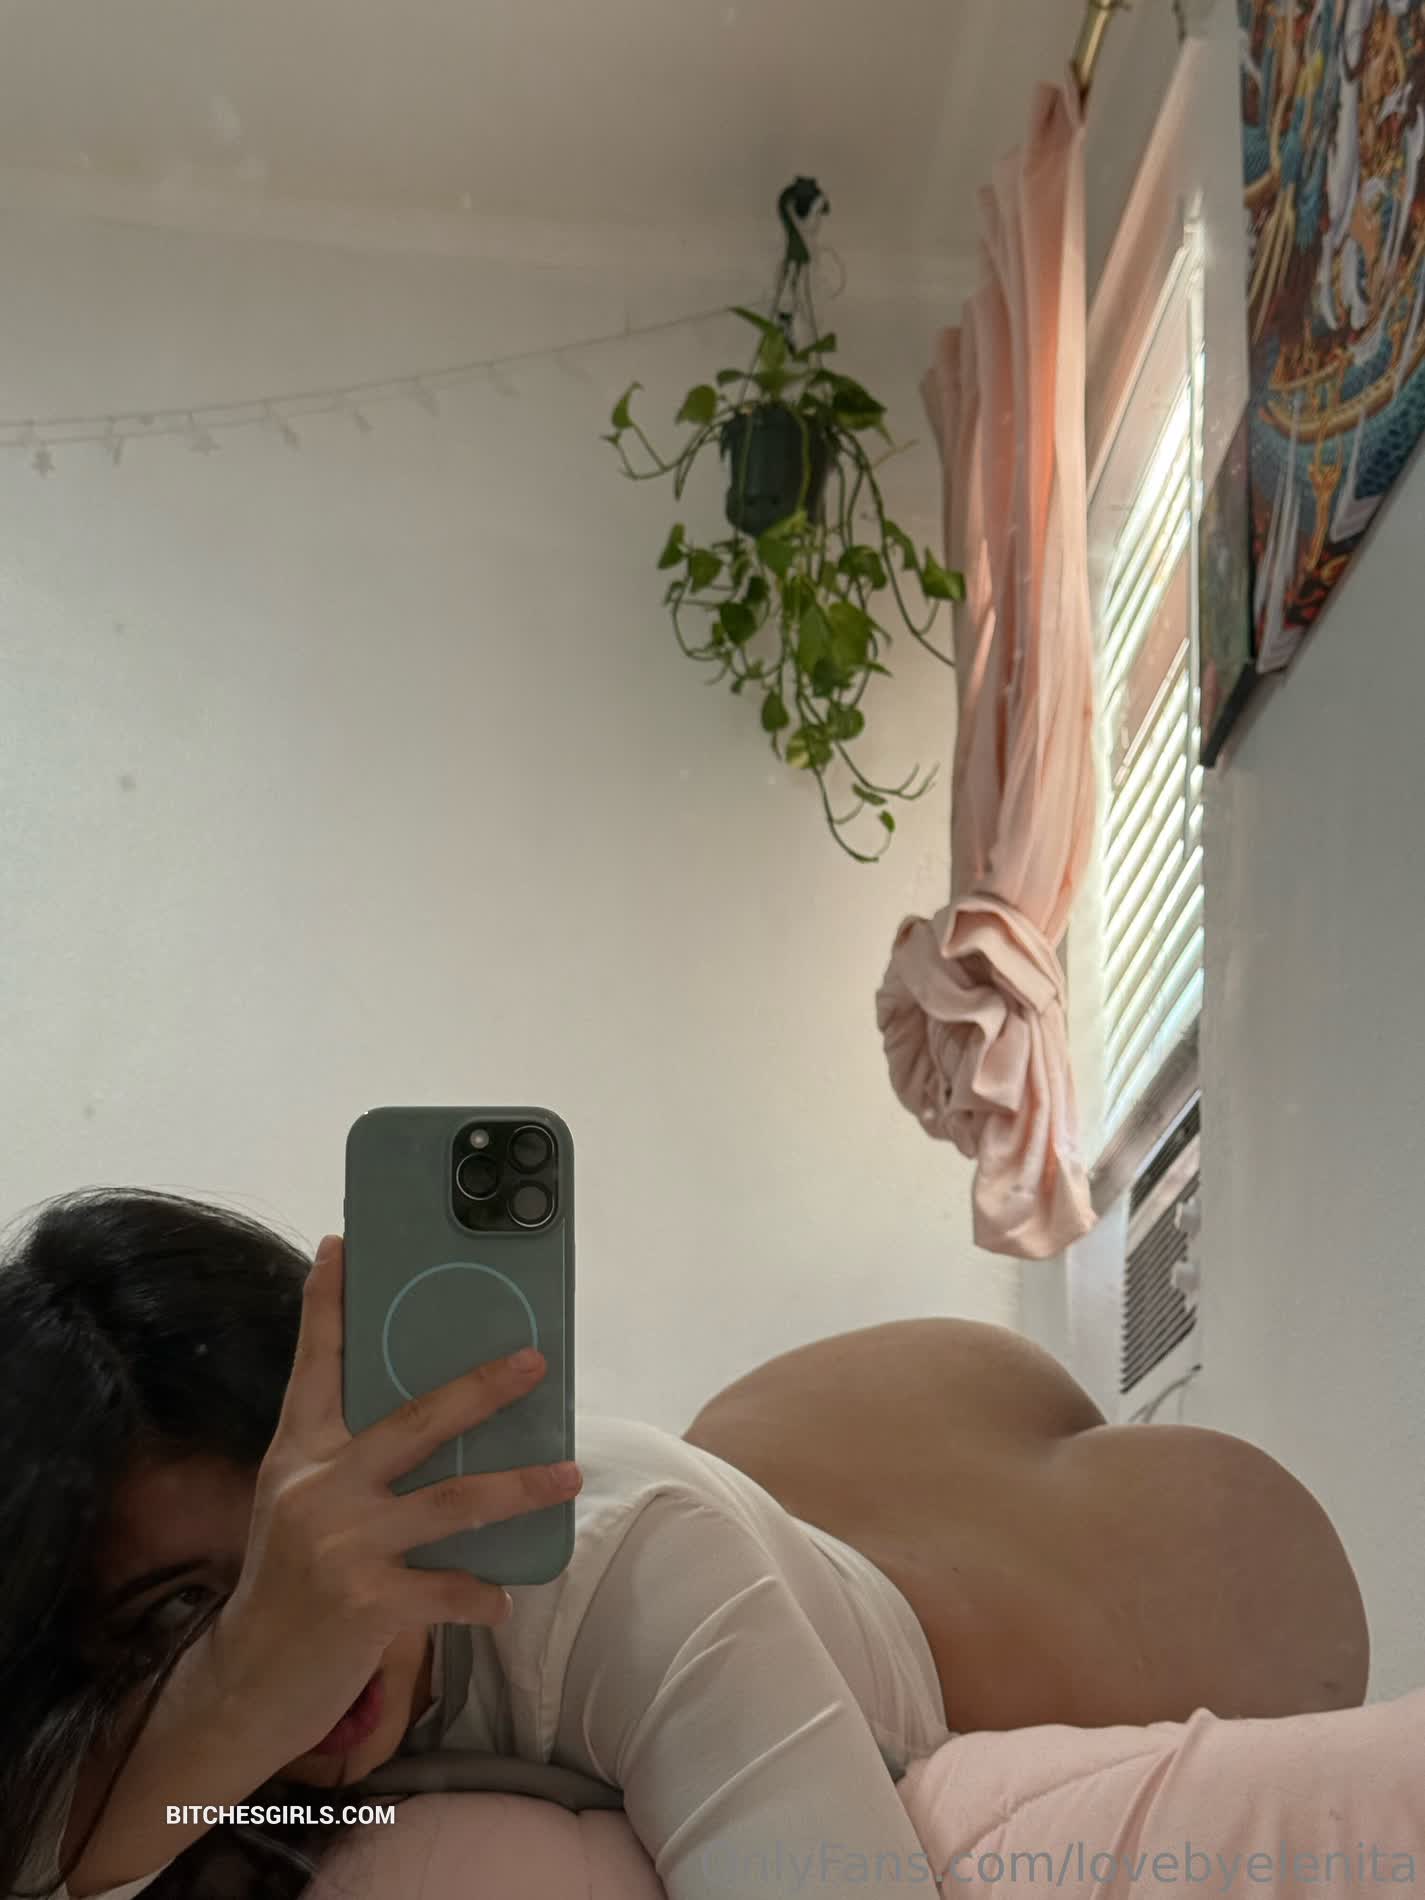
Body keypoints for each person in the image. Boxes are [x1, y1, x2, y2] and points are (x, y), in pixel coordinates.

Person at [1, 1190, 1369, 1900]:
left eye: (304, 1525)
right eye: (172, 1613)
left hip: (1014, 1590)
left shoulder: (630, 1576)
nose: (313, 1607)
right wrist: (232, 1695)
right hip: (791, 1477)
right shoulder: (149, 1724)